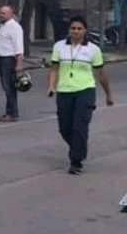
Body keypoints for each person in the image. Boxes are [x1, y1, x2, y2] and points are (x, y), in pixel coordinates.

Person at [47, 16, 114, 174]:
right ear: (69, 30)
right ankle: (79, 147)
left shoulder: (93, 50)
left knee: (79, 126)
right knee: (64, 128)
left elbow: (101, 74)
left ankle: (76, 161)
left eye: (79, 28)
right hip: (64, 91)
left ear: (85, 31)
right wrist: (51, 86)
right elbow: (54, 69)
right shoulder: (59, 47)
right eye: (73, 28)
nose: (75, 31)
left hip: (85, 90)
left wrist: (108, 95)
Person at [0, 5, 25, 122]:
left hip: (9, 60)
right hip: (2, 59)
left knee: (9, 87)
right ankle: (11, 112)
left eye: (3, 13)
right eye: (0, 12)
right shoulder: (3, 26)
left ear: (11, 14)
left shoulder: (14, 27)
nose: (0, 15)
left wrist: (19, 64)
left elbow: (19, 47)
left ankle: (12, 114)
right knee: (7, 87)